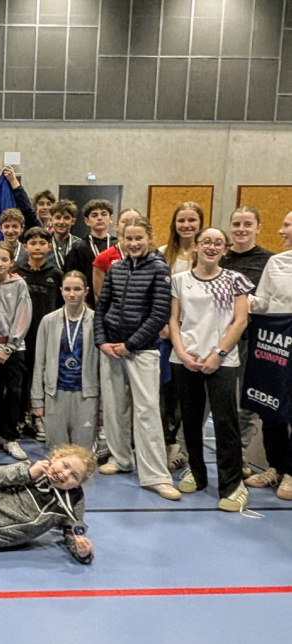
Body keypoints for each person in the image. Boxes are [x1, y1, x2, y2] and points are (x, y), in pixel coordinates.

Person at [94, 217, 180, 500]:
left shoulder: (159, 269)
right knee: (114, 407)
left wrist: (130, 344)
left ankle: (156, 475)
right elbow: (102, 306)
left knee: (146, 412)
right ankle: (121, 458)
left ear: (149, 237)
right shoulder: (116, 269)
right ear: (122, 239)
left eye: (138, 238)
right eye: (128, 238)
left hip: (142, 351)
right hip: (111, 349)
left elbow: (159, 314)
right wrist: (102, 341)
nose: (133, 243)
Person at [169, 227, 251, 511]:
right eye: (206, 242)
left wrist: (219, 353)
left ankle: (233, 485)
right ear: (195, 246)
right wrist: (182, 353)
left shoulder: (235, 280)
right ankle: (196, 471)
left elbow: (240, 321)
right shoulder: (179, 280)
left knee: (226, 423)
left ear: (225, 249)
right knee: (190, 420)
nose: (211, 247)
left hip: (222, 361)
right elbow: (173, 321)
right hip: (186, 360)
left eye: (218, 243)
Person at [222, 205, 274, 470]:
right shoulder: (220, 257)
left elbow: (270, 301)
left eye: (247, 224)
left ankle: (239, 453)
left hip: (251, 340)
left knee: (245, 400)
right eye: (236, 224)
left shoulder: (269, 261)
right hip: (218, 338)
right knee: (217, 398)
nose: (241, 229)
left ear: (258, 228)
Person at [247, 210, 292, 498]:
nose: (280, 230)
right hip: (275, 347)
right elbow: (262, 301)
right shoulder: (276, 262)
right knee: (272, 408)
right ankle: (276, 467)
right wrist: (237, 297)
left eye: (287, 225)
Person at [31, 271, 100, 453]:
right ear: (61, 291)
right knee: (57, 451)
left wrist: (103, 404)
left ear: (86, 291)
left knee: (82, 453)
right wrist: (37, 399)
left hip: (86, 394)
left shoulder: (97, 321)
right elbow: (39, 363)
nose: (72, 294)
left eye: (77, 289)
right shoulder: (48, 321)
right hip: (55, 393)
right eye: (67, 289)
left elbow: (103, 366)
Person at [158, 202, 204, 472]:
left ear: (200, 223)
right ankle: (169, 444)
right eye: (181, 220)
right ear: (174, 224)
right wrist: (165, 324)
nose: (186, 225)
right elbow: (157, 295)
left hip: (198, 334)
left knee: (193, 395)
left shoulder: (207, 253)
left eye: (191, 220)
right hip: (167, 334)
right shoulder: (163, 253)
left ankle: (188, 447)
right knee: (168, 393)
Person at [0, 242, 32, 459]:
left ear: (11, 262)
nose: (0, 264)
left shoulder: (19, 284)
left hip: (14, 348)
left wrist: (9, 347)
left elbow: (23, 315)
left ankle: (10, 437)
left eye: (4, 260)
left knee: (13, 392)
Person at [17, 226, 63, 442]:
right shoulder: (17, 273)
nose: (37, 247)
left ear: (49, 246)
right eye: (33, 243)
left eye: (42, 243)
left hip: (47, 336)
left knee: (43, 376)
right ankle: (21, 416)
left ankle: (40, 417)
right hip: (21, 335)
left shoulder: (56, 275)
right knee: (22, 378)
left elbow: (62, 307)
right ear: (25, 247)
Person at [64, 200, 116, 307]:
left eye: (104, 214)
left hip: (115, 301)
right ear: (87, 221)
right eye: (94, 215)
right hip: (88, 303)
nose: (99, 218)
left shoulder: (118, 246)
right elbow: (71, 278)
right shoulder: (78, 248)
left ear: (111, 218)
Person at [92, 208, 141, 300]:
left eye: (135, 221)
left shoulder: (152, 256)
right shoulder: (103, 258)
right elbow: (99, 296)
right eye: (125, 221)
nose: (130, 224)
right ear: (116, 226)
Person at [47, 199, 81, 272]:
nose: (61, 222)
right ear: (51, 220)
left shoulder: (79, 245)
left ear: (73, 221)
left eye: (66, 218)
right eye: (58, 217)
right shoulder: (44, 244)